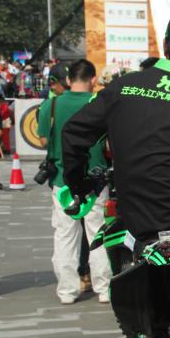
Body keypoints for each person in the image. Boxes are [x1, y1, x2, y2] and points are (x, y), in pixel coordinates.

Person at [62, 9, 170, 251]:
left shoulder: (122, 87)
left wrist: (78, 185)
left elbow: (73, 133)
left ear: (165, 45)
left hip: (133, 230)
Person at [36, 59, 111, 305]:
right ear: (93, 80)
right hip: (95, 180)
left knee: (65, 235)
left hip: (62, 180)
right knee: (98, 233)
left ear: (68, 80)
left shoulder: (51, 105)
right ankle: (104, 288)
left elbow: (43, 141)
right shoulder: (99, 103)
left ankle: (67, 291)